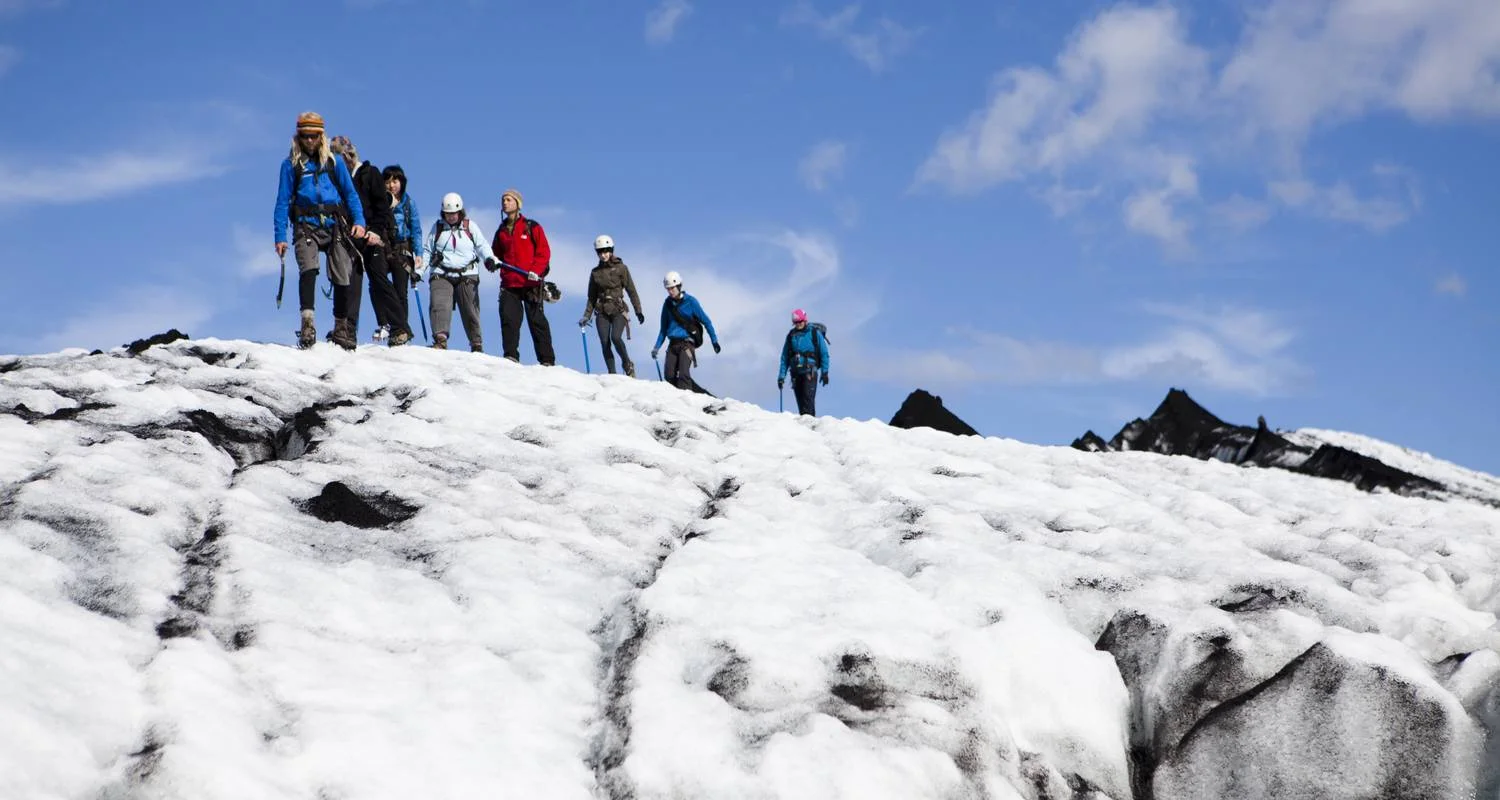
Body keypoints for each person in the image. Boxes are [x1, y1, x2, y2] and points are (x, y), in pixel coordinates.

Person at [273, 111, 367, 350]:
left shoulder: (334, 162)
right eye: (305, 136)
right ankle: (307, 325)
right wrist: (280, 236)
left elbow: (350, 194)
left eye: (314, 136)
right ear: (299, 136)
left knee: (342, 273)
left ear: (321, 136)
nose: (310, 140)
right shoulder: (291, 165)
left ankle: (341, 327)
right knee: (308, 269)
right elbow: (282, 201)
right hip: (306, 225)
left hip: (335, 224)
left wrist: (359, 221)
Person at [330, 136, 412, 347]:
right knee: (351, 281)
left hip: (373, 237)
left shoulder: (370, 173)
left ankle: (400, 327)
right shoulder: (338, 178)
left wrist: (375, 230)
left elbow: (382, 206)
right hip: (350, 236)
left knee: (379, 280)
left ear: (348, 156)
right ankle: (349, 330)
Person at [424, 192, 498, 352]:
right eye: (447, 214)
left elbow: (482, 245)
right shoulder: (437, 228)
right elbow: (427, 250)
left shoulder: (470, 226)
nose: (451, 217)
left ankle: (476, 344)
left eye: (454, 213)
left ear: (460, 212)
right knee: (439, 305)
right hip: (441, 273)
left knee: (470, 309)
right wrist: (418, 271)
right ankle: (440, 340)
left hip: (467, 274)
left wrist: (489, 259)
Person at [490, 189, 556, 365]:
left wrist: (537, 270)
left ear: (518, 204)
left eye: (509, 200)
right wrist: (491, 262)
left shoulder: (531, 226)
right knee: (509, 320)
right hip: (510, 283)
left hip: (530, 281)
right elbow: (495, 254)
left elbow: (544, 252)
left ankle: (547, 360)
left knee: (536, 321)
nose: (505, 203)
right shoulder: (501, 231)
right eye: (503, 200)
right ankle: (510, 356)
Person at [579, 235, 645, 377]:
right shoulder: (595, 272)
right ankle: (612, 374)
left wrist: (638, 310)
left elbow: (631, 290)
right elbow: (591, 297)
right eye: (600, 252)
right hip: (601, 311)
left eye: (606, 251)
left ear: (611, 250)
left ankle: (627, 364)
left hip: (618, 309)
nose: (603, 255)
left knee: (615, 337)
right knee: (604, 342)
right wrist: (586, 316)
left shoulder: (621, 268)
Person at [651, 271, 720, 391]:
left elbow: (706, 322)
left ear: (678, 286)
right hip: (672, 345)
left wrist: (714, 341)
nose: (670, 291)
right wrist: (656, 347)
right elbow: (663, 329)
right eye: (668, 289)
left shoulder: (691, 302)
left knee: (683, 374)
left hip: (686, 344)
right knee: (669, 376)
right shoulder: (667, 305)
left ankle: (689, 400)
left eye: (672, 288)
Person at [383, 165, 422, 342]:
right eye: (388, 182)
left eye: (395, 181)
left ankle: (401, 330)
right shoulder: (381, 202)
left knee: (401, 292)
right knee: (381, 286)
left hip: (402, 250)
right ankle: (389, 325)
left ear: (402, 182)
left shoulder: (408, 203)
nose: (391, 185)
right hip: (384, 248)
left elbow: (416, 229)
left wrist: (418, 253)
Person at [778, 308, 830, 415]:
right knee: (801, 406)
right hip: (795, 374)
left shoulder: (814, 333)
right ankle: (808, 424)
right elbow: (785, 357)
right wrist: (781, 377)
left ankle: (810, 424)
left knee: (808, 403)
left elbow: (824, 353)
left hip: (809, 372)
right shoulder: (791, 336)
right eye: (796, 322)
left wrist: (825, 372)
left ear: (805, 320)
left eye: (800, 321)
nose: (798, 324)